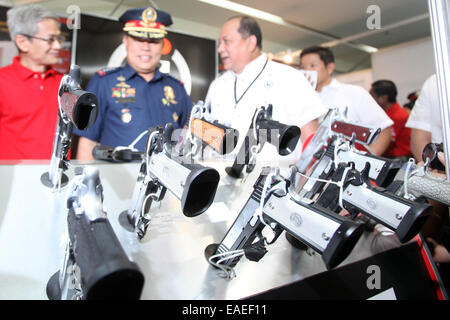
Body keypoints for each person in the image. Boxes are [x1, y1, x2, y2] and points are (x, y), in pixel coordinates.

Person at [205, 16, 327, 165]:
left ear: (251, 43)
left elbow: (313, 141)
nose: (220, 49)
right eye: (220, 43)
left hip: (271, 183)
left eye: (227, 41)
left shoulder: (288, 78)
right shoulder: (217, 85)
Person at [74, 7, 192, 160]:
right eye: (138, 39)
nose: (146, 47)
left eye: (154, 41)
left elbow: (188, 140)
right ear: (125, 41)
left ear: (162, 45)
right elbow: (88, 143)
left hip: (165, 180)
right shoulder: (103, 82)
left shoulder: (177, 88)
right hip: (117, 180)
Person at [299, 46, 394, 156]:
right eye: (303, 67)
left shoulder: (353, 93)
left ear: (330, 67)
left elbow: (383, 130)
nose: (307, 71)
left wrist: (365, 161)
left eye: (313, 65)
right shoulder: (298, 99)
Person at [0, 4, 64, 160]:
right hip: (12, 181)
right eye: (50, 39)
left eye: (59, 39)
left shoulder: (65, 84)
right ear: (22, 42)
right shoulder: (2, 81)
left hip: (59, 180)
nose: (58, 46)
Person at [369, 79, 411, 159]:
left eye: (372, 96)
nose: (370, 99)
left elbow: (387, 141)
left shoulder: (398, 116)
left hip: (398, 160)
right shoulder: (386, 114)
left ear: (384, 98)